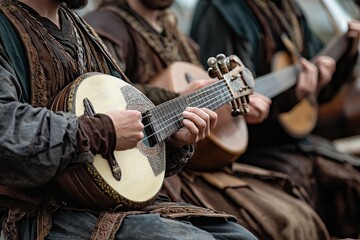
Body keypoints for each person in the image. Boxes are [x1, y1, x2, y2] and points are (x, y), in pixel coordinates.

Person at [0, 0, 261, 239]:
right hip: (34, 211)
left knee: (239, 236)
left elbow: (130, 120)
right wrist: (101, 132)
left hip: (99, 202)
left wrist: (171, 139)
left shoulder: (79, 28)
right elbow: (5, 128)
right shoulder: (5, 26)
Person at [84, 1, 334, 239]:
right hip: (148, 177)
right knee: (286, 222)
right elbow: (103, 98)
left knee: (301, 214)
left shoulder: (177, 36)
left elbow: (204, 108)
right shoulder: (105, 28)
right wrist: (177, 97)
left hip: (194, 164)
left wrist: (239, 106)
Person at [190, 0, 360, 238]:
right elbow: (228, 113)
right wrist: (289, 97)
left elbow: (317, 97)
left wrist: (344, 56)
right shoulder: (222, 10)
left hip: (294, 143)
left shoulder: (290, 9)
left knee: (352, 181)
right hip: (253, 152)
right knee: (295, 217)